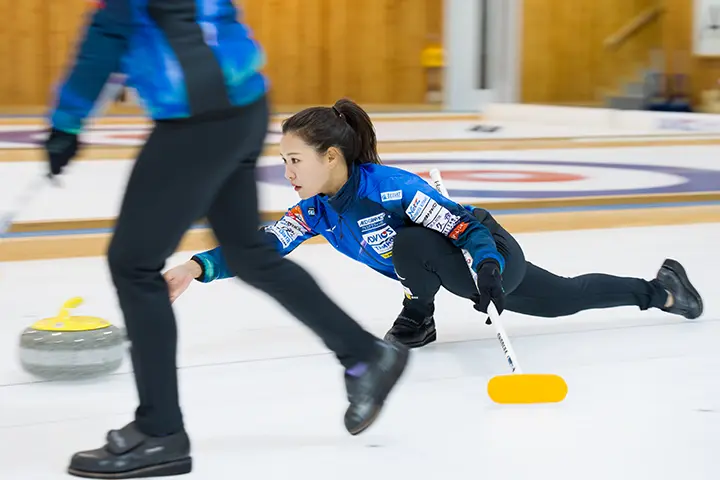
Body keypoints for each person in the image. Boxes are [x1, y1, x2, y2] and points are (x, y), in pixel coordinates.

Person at [43, 3, 409, 479]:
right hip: (242, 108)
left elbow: (106, 37)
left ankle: (160, 433)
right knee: (248, 253)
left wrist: (67, 122)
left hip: (198, 120)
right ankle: (365, 355)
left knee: (132, 263)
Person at [164, 98, 704, 352]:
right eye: (283, 160)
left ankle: (661, 291)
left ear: (331, 157)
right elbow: (262, 246)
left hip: (484, 255)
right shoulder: (315, 210)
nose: (287, 172)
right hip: (439, 266)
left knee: (559, 297)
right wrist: (198, 265)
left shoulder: (393, 189)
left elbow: (467, 232)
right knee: (412, 248)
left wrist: (489, 272)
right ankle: (419, 316)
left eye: (295, 160)